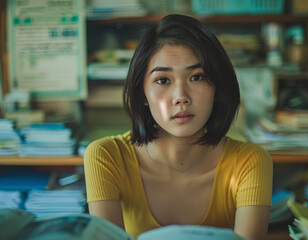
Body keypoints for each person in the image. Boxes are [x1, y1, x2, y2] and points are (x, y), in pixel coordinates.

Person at [84, 14, 273, 240]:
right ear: (142, 93)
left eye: (197, 77)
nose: (181, 97)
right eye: (163, 80)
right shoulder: (106, 157)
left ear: (217, 88)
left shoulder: (250, 162)